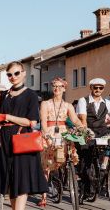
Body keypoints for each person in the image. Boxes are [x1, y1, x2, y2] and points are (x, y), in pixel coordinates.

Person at [0, 61, 47, 210]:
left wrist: (7, 116)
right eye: (9, 74)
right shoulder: (4, 94)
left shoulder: (31, 95)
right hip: (5, 140)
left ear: (23, 73)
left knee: (22, 182)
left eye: (16, 73)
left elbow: (32, 122)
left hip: (22, 140)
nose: (13, 77)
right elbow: (1, 119)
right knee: (10, 181)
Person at [38, 77, 83, 207]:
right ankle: (44, 195)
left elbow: (75, 120)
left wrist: (83, 128)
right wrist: (46, 134)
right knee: (46, 165)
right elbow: (44, 122)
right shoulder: (45, 103)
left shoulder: (68, 105)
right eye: (54, 86)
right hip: (50, 133)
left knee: (65, 159)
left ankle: (66, 182)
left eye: (59, 86)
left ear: (64, 88)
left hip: (63, 133)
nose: (56, 88)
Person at [76, 78, 110, 171]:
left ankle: (105, 163)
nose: (98, 90)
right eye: (95, 87)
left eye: (100, 88)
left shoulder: (107, 102)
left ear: (103, 89)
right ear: (91, 88)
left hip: (102, 131)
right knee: (85, 156)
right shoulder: (83, 100)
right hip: (88, 131)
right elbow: (83, 119)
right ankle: (84, 176)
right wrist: (86, 132)